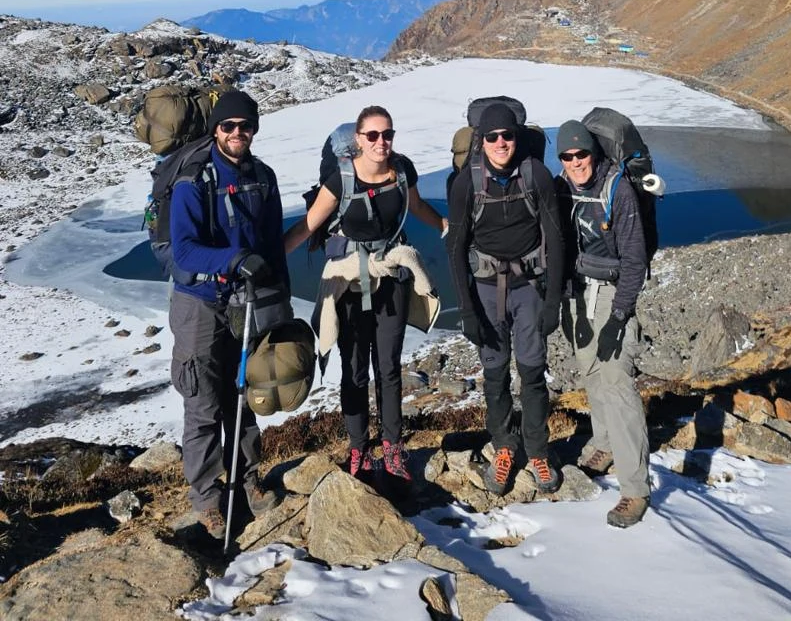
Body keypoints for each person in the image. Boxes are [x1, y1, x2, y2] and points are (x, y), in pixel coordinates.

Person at [285, 106, 446, 483]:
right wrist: (271, 259)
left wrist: (445, 226)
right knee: (354, 369)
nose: (380, 142)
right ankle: (358, 447)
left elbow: (417, 206)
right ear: (359, 139)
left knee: (388, 368)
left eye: (386, 134)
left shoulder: (402, 170)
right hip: (350, 284)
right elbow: (308, 226)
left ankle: (392, 446)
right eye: (372, 135)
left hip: (392, 279)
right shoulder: (341, 179)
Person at [169, 89, 289, 536]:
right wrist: (235, 260)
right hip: (199, 304)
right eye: (228, 126)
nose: (238, 132)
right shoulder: (193, 180)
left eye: (246, 125)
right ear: (216, 130)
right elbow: (183, 251)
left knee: (243, 393)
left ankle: (247, 480)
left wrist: (280, 300)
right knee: (202, 402)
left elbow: (272, 245)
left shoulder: (263, 177)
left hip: (248, 300)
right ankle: (206, 497)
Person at [446, 101, 565, 496]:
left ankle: (538, 451)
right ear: (481, 140)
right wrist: (467, 309)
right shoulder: (467, 184)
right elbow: (455, 247)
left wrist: (553, 301)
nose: (501, 143)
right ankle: (503, 447)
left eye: (508, 135)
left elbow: (556, 239)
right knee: (495, 375)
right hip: (485, 292)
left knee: (532, 373)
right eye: (493, 136)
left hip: (529, 289)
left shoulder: (536, 176)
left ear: (517, 137)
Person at [555, 118, 651, 528]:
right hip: (579, 293)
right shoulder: (562, 188)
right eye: (567, 156)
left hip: (613, 292)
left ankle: (635, 489)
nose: (576, 162)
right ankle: (604, 442)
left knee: (617, 381)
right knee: (591, 370)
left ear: (593, 153)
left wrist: (619, 316)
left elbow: (635, 260)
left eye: (582, 154)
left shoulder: (619, 190)